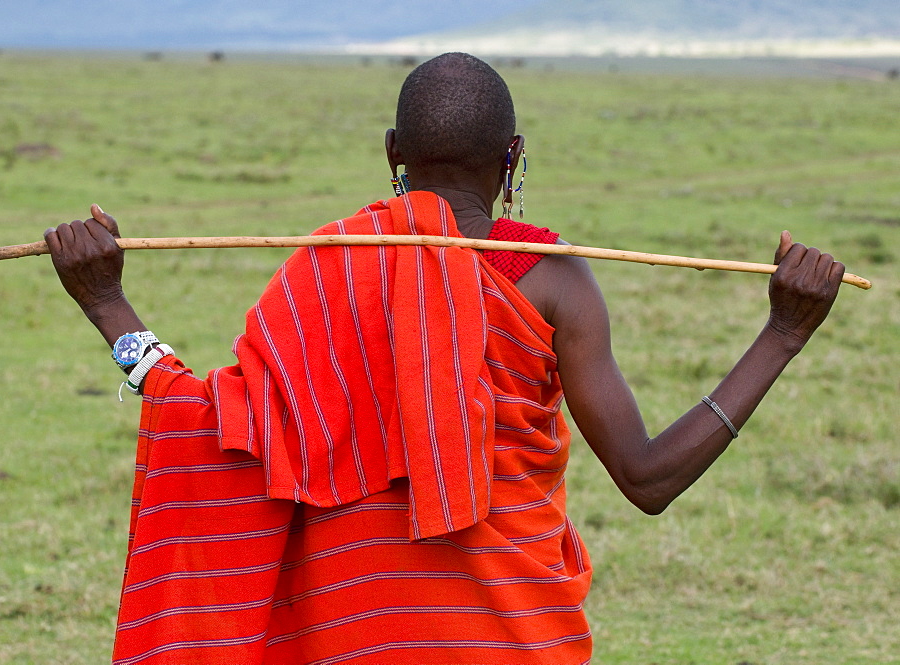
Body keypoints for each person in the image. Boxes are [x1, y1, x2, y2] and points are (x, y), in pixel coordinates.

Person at [44, 53, 844, 665]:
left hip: (357, 637)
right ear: (513, 156)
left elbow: (218, 427)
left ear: (394, 152)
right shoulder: (555, 282)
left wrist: (107, 302)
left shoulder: (330, 269)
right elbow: (648, 476)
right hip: (515, 638)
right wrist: (782, 333)